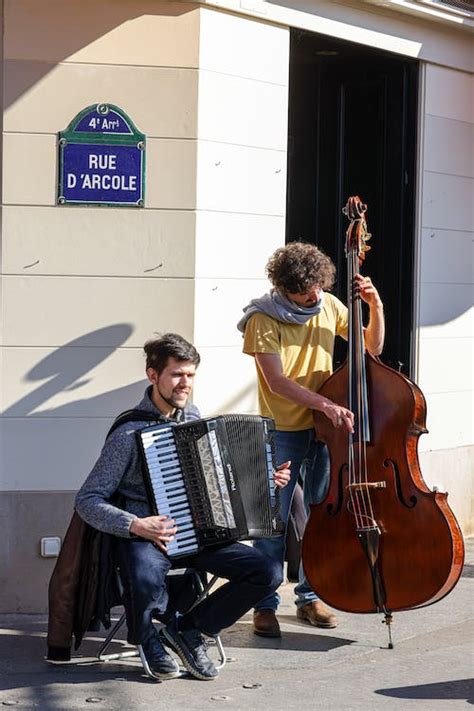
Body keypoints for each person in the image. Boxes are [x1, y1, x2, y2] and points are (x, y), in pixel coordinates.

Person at [75, 333, 290, 681]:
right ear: (153, 376)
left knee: (267, 572)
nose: (184, 383)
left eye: (190, 375)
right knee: (144, 574)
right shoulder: (128, 434)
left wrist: (265, 482)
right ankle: (146, 636)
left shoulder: (194, 419)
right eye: (176, 374)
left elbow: (220, 482)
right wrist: (136, 524)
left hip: (199, 535)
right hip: (148, 538)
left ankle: (188, 630)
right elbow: (87, 500)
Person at [238, 242, 385, 638]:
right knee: (273, 522)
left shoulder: (329, 304)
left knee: (321, 517)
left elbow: (370, 349)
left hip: (325, 432)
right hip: (281, 430)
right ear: (287, 288)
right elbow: (277, 381)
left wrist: (375, 306)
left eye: (320, 287)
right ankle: (264, 604)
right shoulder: (263, 318)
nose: (315, 295)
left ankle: (309, 596)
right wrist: (325, 403)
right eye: (307, 291)